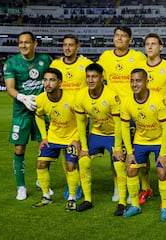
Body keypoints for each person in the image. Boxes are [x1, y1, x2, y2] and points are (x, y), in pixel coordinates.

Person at [97, 26, 146, 202]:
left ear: (130, 40)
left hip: (133, 111)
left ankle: (138, 185)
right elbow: (98, 80)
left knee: (136, 151)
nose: (119, 38)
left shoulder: (138, 57)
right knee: (116, 152)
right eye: (117, 35)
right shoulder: (105, 57)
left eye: (123, 36)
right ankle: (118, 186)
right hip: (112, 113)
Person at [3, 31, 52, 200]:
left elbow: (53, 77)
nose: (23, 45)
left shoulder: (45, 59)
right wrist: (23, 98)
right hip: (21, 111)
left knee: (45, 147)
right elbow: (10, 88)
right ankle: (21, 187)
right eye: (20, 43)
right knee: (19, 148)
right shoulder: (12, 63)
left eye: (27, 42)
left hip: (41, 111)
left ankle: (41, 179)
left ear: (35, 44)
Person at [120, 68, 166, 221]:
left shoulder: (158, 100)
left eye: (138, 80)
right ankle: (135, 205)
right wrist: (129, 152)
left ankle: (165, 206)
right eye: (132, 80)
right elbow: (124, 128)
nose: (134, 84)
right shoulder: (127, 101)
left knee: (162, 172)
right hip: (140, 140)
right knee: (130, 169)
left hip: (160, 140)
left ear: (146, 82)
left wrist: (163, 153)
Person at [74, 63, 126, 214]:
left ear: (102, 78)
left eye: (94, 77)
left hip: (114, 134)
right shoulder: (81, 95)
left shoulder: (111, 95)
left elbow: (119, 124)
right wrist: (84, 147)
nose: (90, 80)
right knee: (83, 161)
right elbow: (81, 123)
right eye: (88, 77)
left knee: (119, 164)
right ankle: (87, 200)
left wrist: (117, 148)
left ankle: (122, 202)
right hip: (96, 134)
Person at [49, 34, 93, 200]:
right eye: (65, 45)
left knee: (78, 152)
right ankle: (71, 184)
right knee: (64, 152)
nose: (67, 48)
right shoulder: (55, 64)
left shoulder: (86, 64)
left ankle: (80, 185)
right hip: (61, 115)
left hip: (80, 116)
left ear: (77, 47)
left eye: (71, 45)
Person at [32, 68, 80, 211]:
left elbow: (82, 119)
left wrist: (76, 139)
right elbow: (38, 115)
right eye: (45, 80)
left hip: (71, 137)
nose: (48, 83)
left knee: (70, 166)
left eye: (52, 80)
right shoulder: (41, 98)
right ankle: (46, 196)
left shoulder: (72, 98)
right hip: (52, 137)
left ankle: (72, 198)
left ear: (60, 82)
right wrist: (44, 137)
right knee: (41, 164)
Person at [137, 33, 166, 206]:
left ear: (161, 47)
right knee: (142, 161)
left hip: (164, 122)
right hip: (143, 121)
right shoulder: (139, 68)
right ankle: (146, 189)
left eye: (154, 44)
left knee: (165, 160)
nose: (150, 47)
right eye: (147, 44)